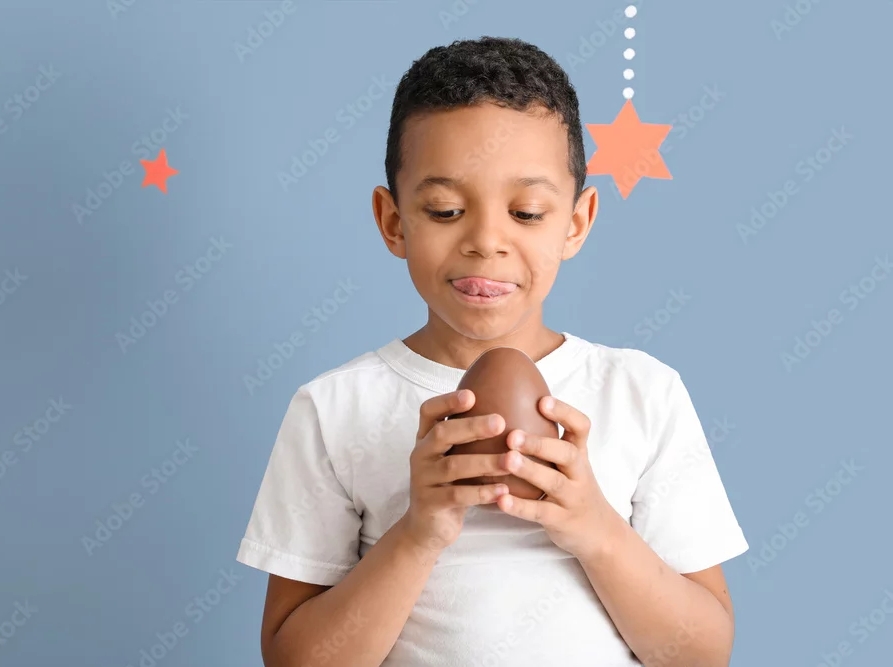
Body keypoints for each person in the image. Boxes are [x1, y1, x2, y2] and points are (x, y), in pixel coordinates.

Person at [236, 36, 748, 666]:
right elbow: (296, 660)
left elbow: (702, 654)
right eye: (445, 209)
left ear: (576, 222)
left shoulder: (643, 393)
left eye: (526, 213)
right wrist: (418, 534)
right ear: (393, 222)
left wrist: (596, 528)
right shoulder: (333, 409)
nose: (486, 240)